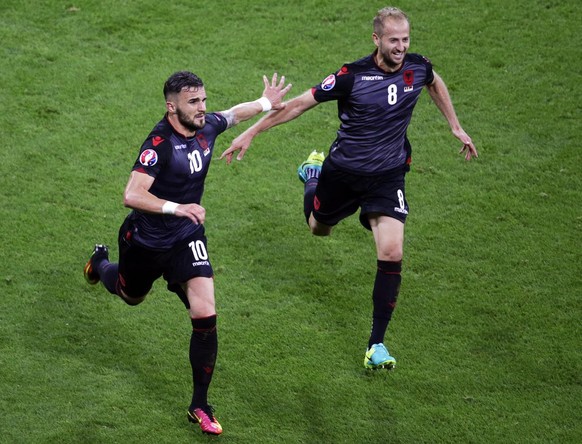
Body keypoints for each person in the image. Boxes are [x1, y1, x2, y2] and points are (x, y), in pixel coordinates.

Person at [220, 7, 478, 370]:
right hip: (342, 173)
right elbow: (298, 105)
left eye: (405, 39)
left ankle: (376, 345)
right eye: (393, 40)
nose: (401, 47)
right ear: (377, 40)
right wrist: (251, 131)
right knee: (318, 228)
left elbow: (433, 81)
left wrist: (454, 125)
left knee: (391, 252)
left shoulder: (417, 66)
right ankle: (312, 173)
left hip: (388, 176)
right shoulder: (351, 76)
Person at [83, 71, 291, 435]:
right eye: (193, 102)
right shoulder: (158, 144)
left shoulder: (206, 127)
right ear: (171, 106)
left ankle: (200, 405)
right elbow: (131, 195)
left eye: (203, 100)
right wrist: (175, 207)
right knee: (130, 295)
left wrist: (264, 103)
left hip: (186, 238)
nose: (202, 108)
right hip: (145, 241)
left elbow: (232, 114)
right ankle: (100, 263)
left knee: (206, 314)